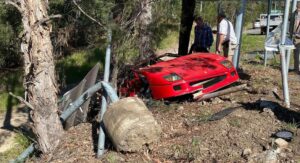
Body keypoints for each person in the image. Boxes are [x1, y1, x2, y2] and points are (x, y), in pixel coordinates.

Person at [290, 2, 300, 73]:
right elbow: (292, 25)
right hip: (296, 36)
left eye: (299, 7)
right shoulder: (294, 14)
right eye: (297, 7)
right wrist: (291, 34)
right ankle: (296, 69)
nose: (298, 9)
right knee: (296, 53)